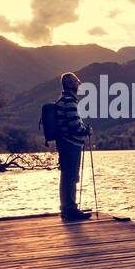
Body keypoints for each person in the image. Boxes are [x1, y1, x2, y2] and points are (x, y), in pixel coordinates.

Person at [55, 72, 92, 221]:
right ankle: (70, 209)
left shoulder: (61, 100)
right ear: (70, 84)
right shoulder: (70, 101)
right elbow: (75, 126)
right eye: (77, 82)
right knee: (71, 176)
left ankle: (67, 208)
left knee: (66, 176)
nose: (79, 84)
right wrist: (87, 130)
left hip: (64, 143)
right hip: (70, 144)